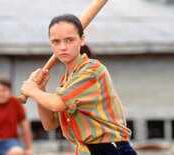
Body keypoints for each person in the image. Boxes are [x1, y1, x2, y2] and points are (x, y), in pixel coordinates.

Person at [21, 14, 137, 155]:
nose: (62, 47)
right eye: (56, 42)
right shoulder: (67, 81)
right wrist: (40, 90)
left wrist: (32, 91)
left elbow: (57, 104)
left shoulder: (91, 71)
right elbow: (49, 124)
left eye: (69, 40)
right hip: (86, 150)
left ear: (82, 40)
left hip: (109, 149)